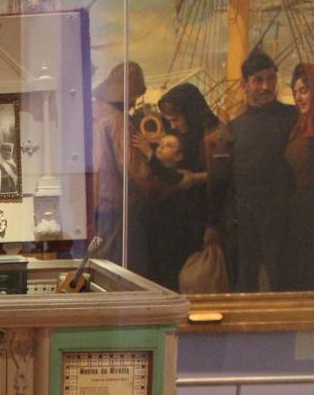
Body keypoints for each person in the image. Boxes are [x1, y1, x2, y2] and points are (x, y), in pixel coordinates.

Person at [135, 82, 225, 290]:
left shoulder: (212, 135)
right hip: (179, 216)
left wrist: (195, 178)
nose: (173, 126)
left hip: (200, 216)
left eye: (175, 119)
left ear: (190, 112)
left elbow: (219, 177)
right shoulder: (185, 135)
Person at [221, 49, 298, 291]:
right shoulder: (235, 128)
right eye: (258, 80)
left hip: (283, 211)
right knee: (246, 279)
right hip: (245, 215)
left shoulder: (293, 117)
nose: (266, 86)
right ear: (245, 84)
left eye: (271, 78)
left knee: (282, 278)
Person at [90, 62, 154, 271]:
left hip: (95, 206)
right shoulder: (117, 121)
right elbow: (135, 172)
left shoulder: (94, 113)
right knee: (120, 271)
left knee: (100, 267)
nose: (134, 104)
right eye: (134, 96)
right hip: (118, 209)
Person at [283, 63, 314, 291]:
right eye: (295, 92)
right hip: (303, 210)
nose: (298, 98)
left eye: (304, 90)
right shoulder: (303, 124)